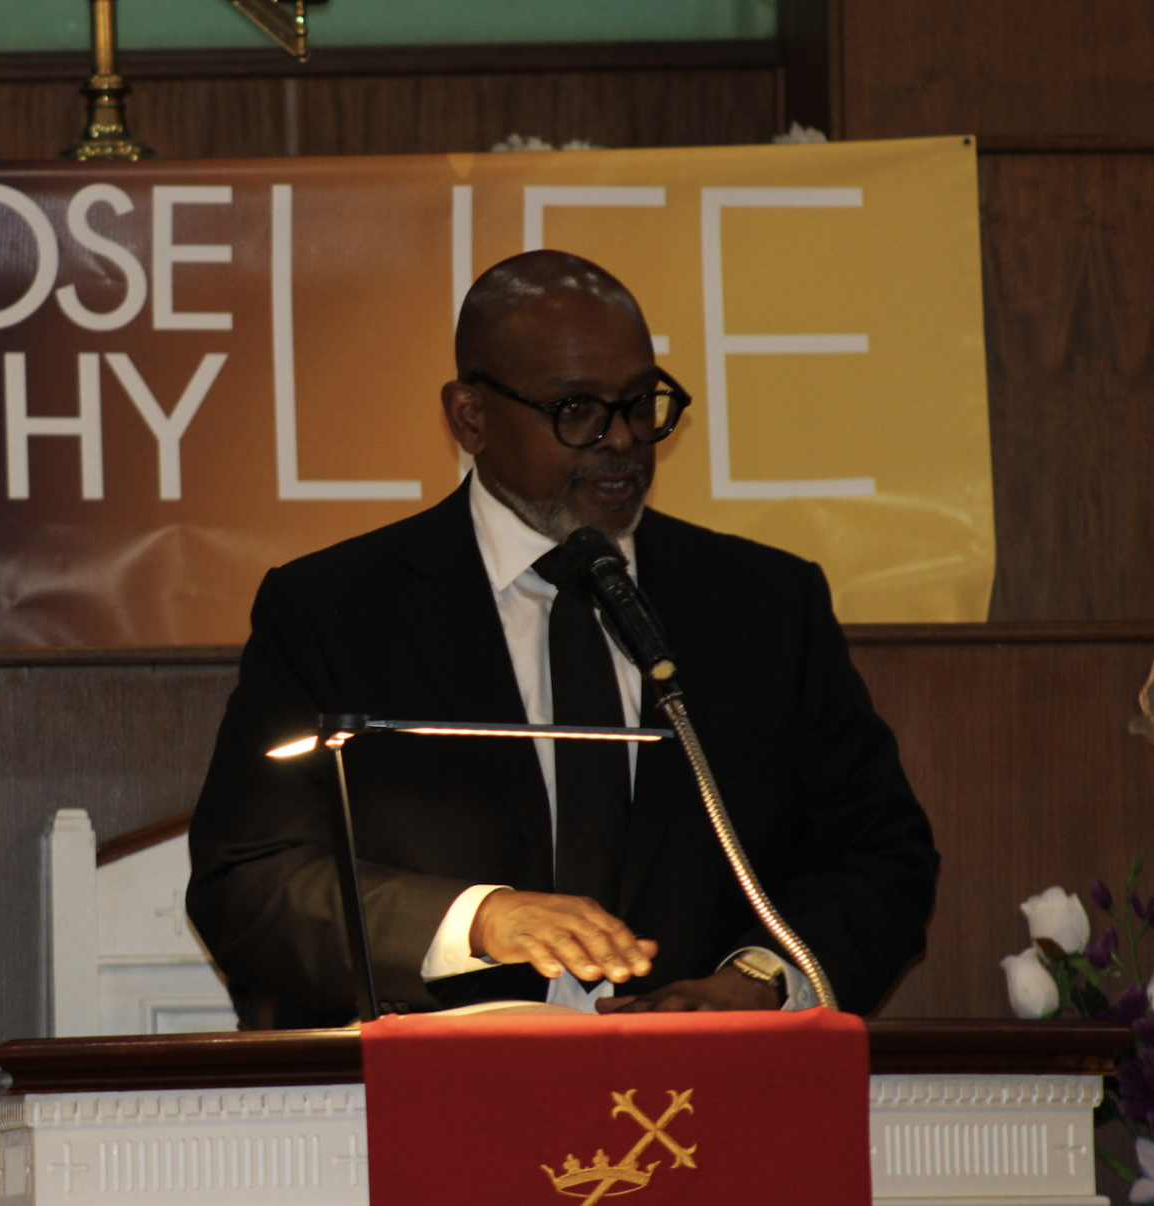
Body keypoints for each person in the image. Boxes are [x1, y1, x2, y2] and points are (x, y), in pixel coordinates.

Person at [186, 250, 939, 1029]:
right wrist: (476, 919)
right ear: (469, 416)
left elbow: (879, 856)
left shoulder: (764, 606)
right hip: (430, 1097)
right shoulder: (335, 610)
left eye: (640, 404)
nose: (620, 440)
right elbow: (248, 884)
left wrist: (757, 981)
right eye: (575, 409)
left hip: (705, 1095)